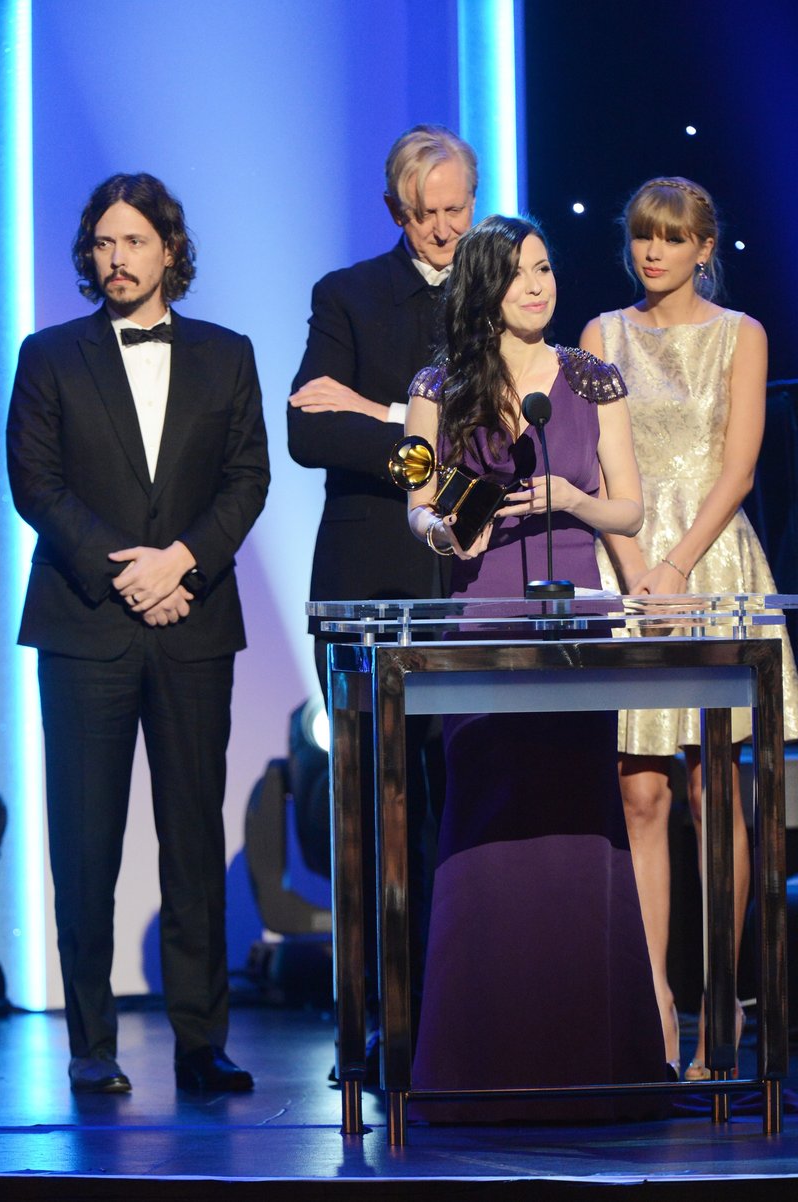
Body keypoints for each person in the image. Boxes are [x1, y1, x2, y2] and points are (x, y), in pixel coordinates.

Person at [6, 173, 270, 1094]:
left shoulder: (227, 355)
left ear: (170, 249)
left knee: (193, 833)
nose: (114, 258)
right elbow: (35, 483)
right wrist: (133, 571)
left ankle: (202, 1040)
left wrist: (182, 563)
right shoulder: (48, 355)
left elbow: (247, 481)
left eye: (132, 241)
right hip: (86, 625)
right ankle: (90, 1044)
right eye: (101, 243)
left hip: (194, 623)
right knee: (84, 840)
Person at [405, 214, 666, 1121]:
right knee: (487, 817)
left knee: (576, 824)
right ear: (484, 284)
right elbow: (416, 498)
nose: (538, 285)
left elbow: (631, 509)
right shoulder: (437, 384)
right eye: (519, 273)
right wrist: (445, 525)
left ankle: (595, 1058)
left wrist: (577, 499)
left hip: (575, 618)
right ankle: (479, 1061)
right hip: (484, 615)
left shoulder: (593, 377)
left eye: (547, 269)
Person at [580, 176, 798, 1080]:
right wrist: (639, 576)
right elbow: (597, 459)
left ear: (705, 246)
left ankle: (722, 1004)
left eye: (671, 238)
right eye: (641, 236)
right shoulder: (601, 335)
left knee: (717, 792)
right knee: (641, 793)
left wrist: (678, 568)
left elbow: (739, 470)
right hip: (628, 566)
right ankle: (653, 1005)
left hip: (714, 564)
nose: (653, 252)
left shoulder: (740, 336)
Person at [288, 126, 477, 1077]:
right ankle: (373, 1019)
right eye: (427, 214)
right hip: (371, 580)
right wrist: (413, 437)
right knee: (373, 802)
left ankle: (456, 1013)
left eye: (457, 211)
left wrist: (382, 416)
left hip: (471, 576)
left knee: (464, 796)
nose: (444, 230)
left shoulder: (496, 291)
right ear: (396, 210)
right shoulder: (349, 294)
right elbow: (309, 434)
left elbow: (491, 447)